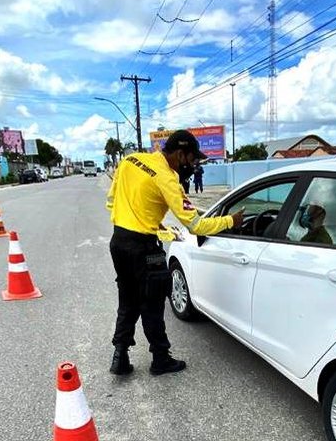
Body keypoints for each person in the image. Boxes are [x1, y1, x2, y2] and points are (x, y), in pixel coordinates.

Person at [105, 130, 244, 376]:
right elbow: (196, 225)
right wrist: (230, 221)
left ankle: (120, 356)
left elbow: (111, 201)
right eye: (192, 160)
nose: (192, 165)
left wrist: (149, 223)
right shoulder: (168, 178)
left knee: (127, 298)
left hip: (119, 241)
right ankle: (160, 359)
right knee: (152, 302)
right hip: (143, 247)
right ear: (180, 154)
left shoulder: (130, 160)